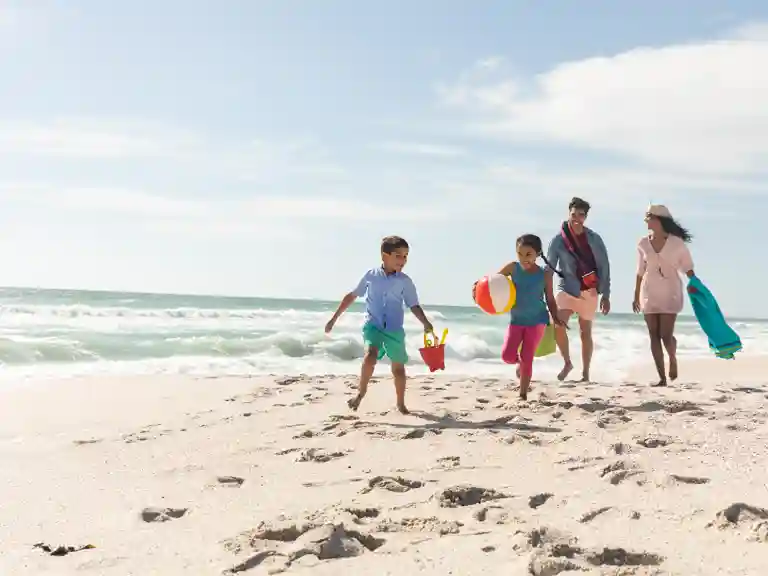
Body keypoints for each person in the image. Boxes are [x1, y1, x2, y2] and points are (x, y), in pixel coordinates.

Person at [325, 235, 433, 414]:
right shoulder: (371, 275)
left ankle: (401, 404)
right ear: (384, 256)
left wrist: (425, 323)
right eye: (398, 256)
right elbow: (352, 296)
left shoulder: (405, 281)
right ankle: (360, 393)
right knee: (370, 356)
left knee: (398, 369)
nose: (403, 260)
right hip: (373, 325)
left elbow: (413, 305)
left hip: (394, 329)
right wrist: (334, 318)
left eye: (405, 256)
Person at [474, 234, 564, 400]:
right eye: (520, 254)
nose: (524, 258)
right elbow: (493, 283)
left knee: (527, 358)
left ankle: (523, 394)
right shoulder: (512, 268)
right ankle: (520, 364)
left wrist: (556, 316)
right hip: (516, 320)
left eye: (528, 254)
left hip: (537, 321)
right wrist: (478, 288)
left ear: (538, 254)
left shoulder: (544, 275)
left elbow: (550, 298)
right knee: (507, 356)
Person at [545, 197, 611, 382]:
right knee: (558, 324)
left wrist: (606, 295)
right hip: (567, 288)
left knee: (585, 332)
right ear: (569, 213)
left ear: (585, 217)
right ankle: (567, 362)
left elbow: (604, 267)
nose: (576, 218)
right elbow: (549, 268)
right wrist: (545, 292)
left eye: (581, 215)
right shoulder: (558, 240)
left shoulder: (594, 239)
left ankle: (586, 374)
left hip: (589, 291)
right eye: (573, 214)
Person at [632, 204, 695, 387]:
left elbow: (687, 267)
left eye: (649, 217)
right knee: (653, 335)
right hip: (649, 292)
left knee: (666, 335)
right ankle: (662, 378)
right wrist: (636, 295)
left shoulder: (676, 243)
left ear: (658, 219)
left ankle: (672, 359)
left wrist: (696, 285)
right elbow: (640, 271)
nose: (646, 220)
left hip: (670, 292)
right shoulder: (643, 243)